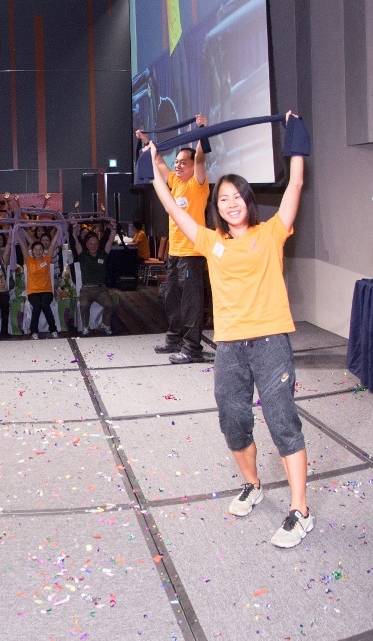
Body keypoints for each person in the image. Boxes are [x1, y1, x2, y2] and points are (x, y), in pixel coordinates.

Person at [143, 112, 310, 547]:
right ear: (215, 208)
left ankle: (300, 510)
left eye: (237, 197)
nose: (230, 203)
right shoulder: (211, 242)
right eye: (223, 199)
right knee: (233, 420)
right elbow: (167, 203)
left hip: (271, 341)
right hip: (231, 348)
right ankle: (253, 485)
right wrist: (151, 163)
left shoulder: (272, 232)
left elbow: (293, 187)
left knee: (282, 422)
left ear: (248, 201)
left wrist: (295, 139)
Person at [157, 145, 213, 362]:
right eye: (177, 161)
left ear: (193, 166)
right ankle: (174, 339)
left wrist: (201, 131)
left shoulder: (197, 185)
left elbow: (200, 157)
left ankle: (192, 348)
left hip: (192, 254)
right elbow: (160, 163)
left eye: (183, 162)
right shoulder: (175, 182)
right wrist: (146, 142)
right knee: (171, 297)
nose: (178, 165)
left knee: (191, 303)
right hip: (175, 253)